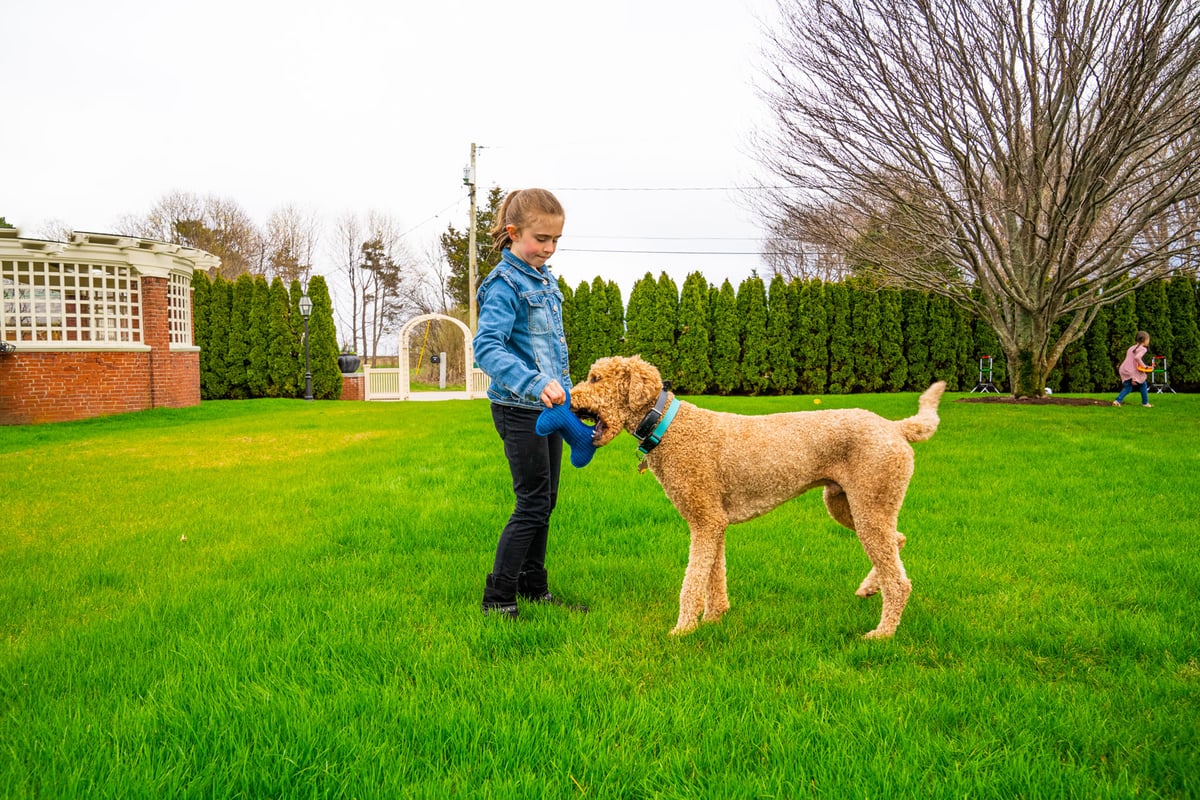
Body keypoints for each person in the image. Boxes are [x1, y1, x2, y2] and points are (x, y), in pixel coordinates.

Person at [472, 188, 586, 618]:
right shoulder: (503, 284)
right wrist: (535, 382)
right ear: (513, 233)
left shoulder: (544, 279)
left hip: (549, 410)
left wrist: (569, 400)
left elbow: (551, 350)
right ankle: (498, 598)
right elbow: (487, 348)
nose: (549, 248)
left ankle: (534, 587)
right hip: (518, 409)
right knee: (532, 502)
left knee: (547, 500)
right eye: (541, 239)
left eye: (556, 240)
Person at [1113, 331, 1153, 407]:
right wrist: (1144, 366)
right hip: (1132, 370)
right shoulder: (1143, 349)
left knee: (1128, 387)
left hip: (1124, 369)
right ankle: (1145, 403)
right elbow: (1137, 358)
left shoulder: (1131, 347)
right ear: (1145, 340)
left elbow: (1131, 360)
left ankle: (1117, 401)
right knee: (1143, 384)